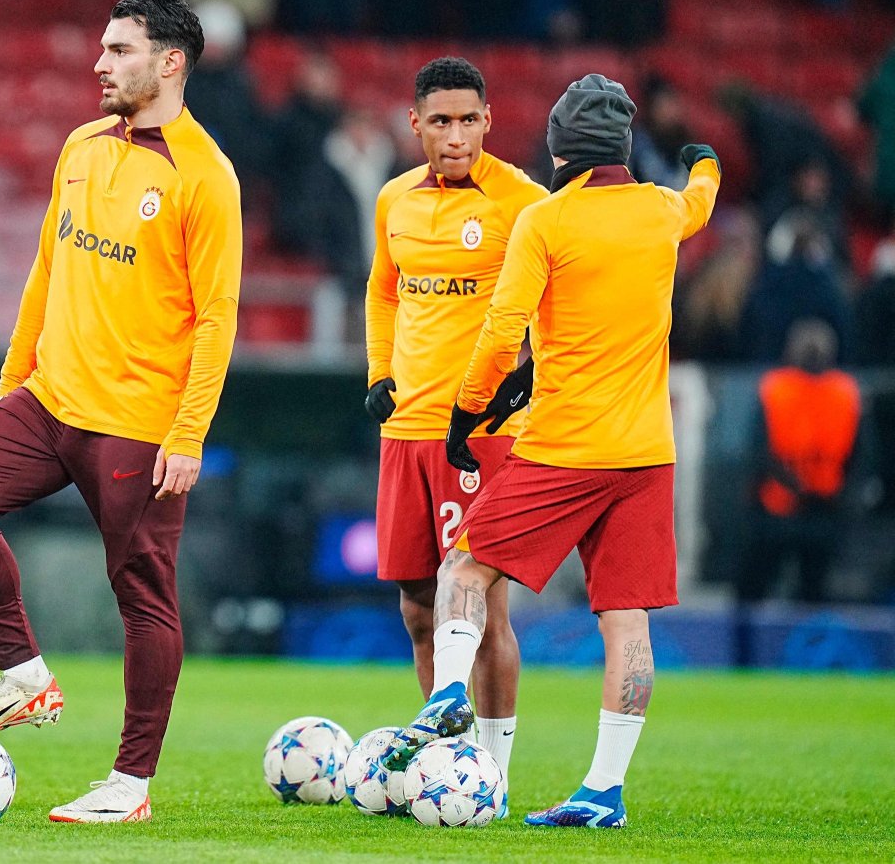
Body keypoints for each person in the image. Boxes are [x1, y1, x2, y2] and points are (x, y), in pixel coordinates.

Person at [0, 0, 241, 823]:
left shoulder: (203, 174)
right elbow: (45, 270)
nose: (99, 64)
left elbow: (216, 319)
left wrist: (189, 432)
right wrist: (9, 388)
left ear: (170, 63)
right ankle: (24, 675)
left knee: (142, 593)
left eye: (119, 50)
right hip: (49, 398)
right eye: (102, 48)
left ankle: (130, 785)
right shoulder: (81, 144)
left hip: (137, 421)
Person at [380, 75, 721, 829]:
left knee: (464, 568)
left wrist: (467, 414)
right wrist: (705, 163)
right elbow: (701, 198)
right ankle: (604, 791)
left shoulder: (546, 220)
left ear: (561, 148)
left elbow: (503, 337)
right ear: (624, 148)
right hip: (645, 452)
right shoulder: (664, 211)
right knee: (625, 620)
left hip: (563, 445)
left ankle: (445, 697)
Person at [364, 57, 547, 788]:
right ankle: (451, 760)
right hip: (405, 434)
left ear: (488, 121)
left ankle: (492, 773)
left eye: (469, 120)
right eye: (440, 121)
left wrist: (529, 379)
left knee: (480, 604)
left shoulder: (522, 202)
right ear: (416, 125)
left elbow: (560, 300)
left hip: (482, 438)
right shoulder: (394, 202)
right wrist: (378, 372)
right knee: (416, 606)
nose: (456, 135)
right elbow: (382, 293)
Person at [736, 318, 861, 606]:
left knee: (753, 591)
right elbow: (858, 457)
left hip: (777, 507)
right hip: (825, 507)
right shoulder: (846, 393)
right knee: (813, 595)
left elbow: (759, 452)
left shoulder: (775, 388)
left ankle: (746, 648)